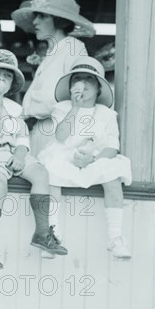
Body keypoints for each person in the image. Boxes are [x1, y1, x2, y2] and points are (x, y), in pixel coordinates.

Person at [0, 49, 68, 269]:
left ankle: (41, 232)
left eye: (7, 76)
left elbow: (22, 136)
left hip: (12, 153)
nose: (1, 80)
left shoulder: (15, 108)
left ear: (12, 84)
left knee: (41, 173)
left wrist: (20, 154)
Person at [38, 57, 132, 258]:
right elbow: (60, 137)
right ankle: (51, 233)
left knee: (113, 171)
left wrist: (94, 159)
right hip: (63, 156)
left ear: (99, 88)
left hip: (92, 160)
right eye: (77, 79)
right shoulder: (61, 108)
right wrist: (74, 107)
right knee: (51, 170)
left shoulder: (107, 114)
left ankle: (115, 236)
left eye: (90, 79)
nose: (83, 83)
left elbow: (112, 147)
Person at [11, 0, 96, 155]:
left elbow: (81, 92)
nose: (35, 21)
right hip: (38, 130)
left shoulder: (73, 48)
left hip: (58, 131)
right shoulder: (50, 52)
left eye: (42, 16)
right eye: (36, 16)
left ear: (59, 20)